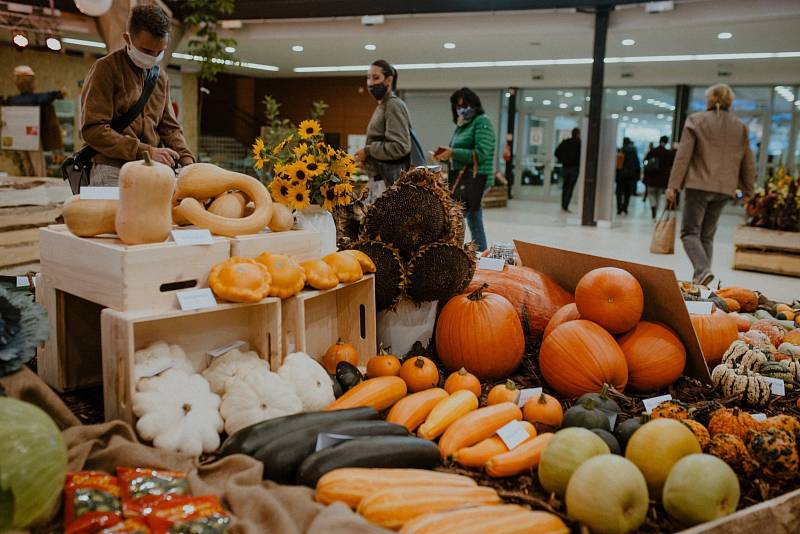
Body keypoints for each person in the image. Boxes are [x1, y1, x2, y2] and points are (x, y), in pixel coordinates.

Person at [80, 4, 193, 186]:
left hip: (151, 171)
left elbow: (169, 128)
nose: (154, 57)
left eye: (160, 52)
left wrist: (188, 162)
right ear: (128, 39)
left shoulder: (160, 77)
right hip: (112, 170)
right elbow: (93, 130)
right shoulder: (106, 69)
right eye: (147, 51)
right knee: (114, 216)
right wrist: (145, 151)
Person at [667, 83, 755, 286]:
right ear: (729, 101)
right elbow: (747, 160)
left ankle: (702, 269)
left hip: (698, 185)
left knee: (689, 232)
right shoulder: (739, 126)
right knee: (706, 235)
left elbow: (683, 157)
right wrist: (748, 189)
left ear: (709, 99)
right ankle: (702, 282)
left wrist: (673, 185)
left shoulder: (696, 121)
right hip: (725, 188)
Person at [433, 88, 496, 252]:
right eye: (458, 106)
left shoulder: (482, 121)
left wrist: (453, 152)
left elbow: (481, 154)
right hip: (464, 179)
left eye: (465, 105)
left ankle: (454, 256)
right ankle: (482, 255)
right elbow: (458, 152)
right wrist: (445, 155)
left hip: (474, 180)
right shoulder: (463, 125)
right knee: (475, 218)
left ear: (474, 103)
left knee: (455, 220)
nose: (461, 109)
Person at [354, 59, 412, 203]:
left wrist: (368, 151)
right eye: (368, 78)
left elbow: (400, 147)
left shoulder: (393, 105)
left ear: (389, 80)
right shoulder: (383, 105)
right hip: (381, 180)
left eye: (376, 77)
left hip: (390, 184)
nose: (370, 83)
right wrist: (368, 160)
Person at [3, 65, 65, 176]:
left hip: (19, 138)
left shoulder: (13, 100)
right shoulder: (36, 98)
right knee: (38, 166)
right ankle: (41, 185)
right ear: (32, 83)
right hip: (32, 137)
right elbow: (48, 96)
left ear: (18, 84)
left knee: (27, 165)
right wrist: (59, 93)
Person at [643, 135, 675, 219]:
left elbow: (645, 162)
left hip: (652, 177)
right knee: (658, 195)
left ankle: (653, 207)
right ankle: (655, 210)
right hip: (662, 179)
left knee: (651, 194)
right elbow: (672, 165)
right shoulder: (668, 153)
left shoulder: (653, 151)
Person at [554, 128, 581, 212]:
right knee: (570, 188)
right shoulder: (579, 143)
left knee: (565, 187)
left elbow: (556, 152)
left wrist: (562, 160)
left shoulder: (565, 142)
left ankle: (563, 205)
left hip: (565, 167)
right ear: (578, 134)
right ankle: (565, 205)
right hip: (574, 168)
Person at [617, 137, 640, 215]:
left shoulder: (621, 151)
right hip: (631, 176)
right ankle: (625, 207)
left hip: (621, 175)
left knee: (619, 192)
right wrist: (637, 175)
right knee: (627, 193)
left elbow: (617, 165)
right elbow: (637, 164)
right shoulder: (634, 152)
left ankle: (619, 208)